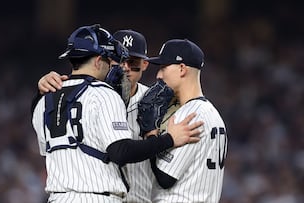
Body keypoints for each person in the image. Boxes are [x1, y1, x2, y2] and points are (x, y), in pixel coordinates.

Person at [31, 24, 203, 203]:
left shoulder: (162, 104)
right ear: (103, 60)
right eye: (119, 61)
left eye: (133, 62)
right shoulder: (99, 95)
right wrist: (165, 139)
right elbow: (120, 151)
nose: (125, 68)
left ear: (145, 64)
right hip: (102, 196)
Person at [146, 39, 228, 203]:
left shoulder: (190, 114)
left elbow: (165, 177)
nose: (158, 75)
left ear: (182, 68)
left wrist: (151, 136)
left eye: (164, 67)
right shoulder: (212, 114)